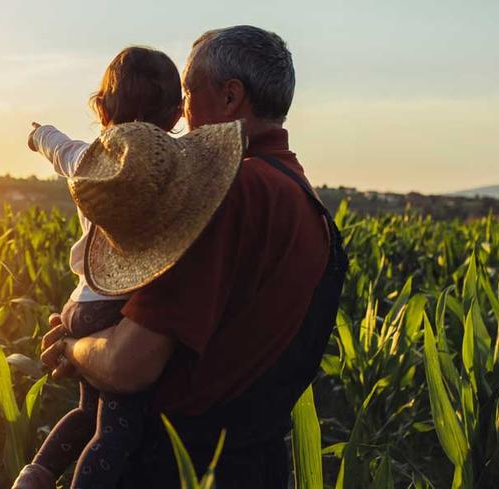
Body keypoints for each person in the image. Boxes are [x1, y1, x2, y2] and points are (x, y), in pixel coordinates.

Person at [39, 25, 348, 488]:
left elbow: (129, 364)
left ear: (229, 98)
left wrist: (74, 349)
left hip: (181, 465)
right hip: (253, 464)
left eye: (188, 91)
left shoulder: (225, 196)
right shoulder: (307, 201)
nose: (180, 112)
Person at [15, 46, 184, 489]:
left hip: (80, 304)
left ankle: (36, 475)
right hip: (117, 308)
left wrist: (39, 134)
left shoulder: (87, 159)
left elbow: (57, 147)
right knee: (116, 430)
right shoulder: (171, 173)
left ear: (102, 108)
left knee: (86, 412)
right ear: (177, 114)